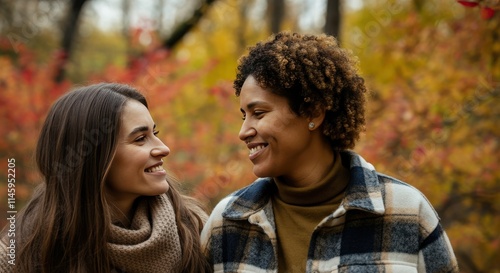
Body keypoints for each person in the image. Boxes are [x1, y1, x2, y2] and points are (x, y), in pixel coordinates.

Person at [201, 32, 459, 272]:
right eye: (243, 116)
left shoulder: (407, 212)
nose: (243, 131)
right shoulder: (226, 223)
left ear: (313, 113)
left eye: (259, 113)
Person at [0, 83, 211, 273]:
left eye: (155, 133)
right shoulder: (23, 251)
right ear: (93, 158)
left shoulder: (197, 230)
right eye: (140, 139)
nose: (163, 148)